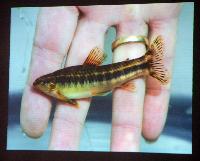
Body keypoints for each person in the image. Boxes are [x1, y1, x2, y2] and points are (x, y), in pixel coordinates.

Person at [20, 3, 181, 151]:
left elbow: (69, 100)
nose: (39, 85)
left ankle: (146, 64)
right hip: (103, 77)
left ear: (50, 84)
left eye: (41, 83)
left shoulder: (56, 88)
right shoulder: (56, 86)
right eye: (41, 83)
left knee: (117, 74)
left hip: (104, 75)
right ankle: (145, 64)